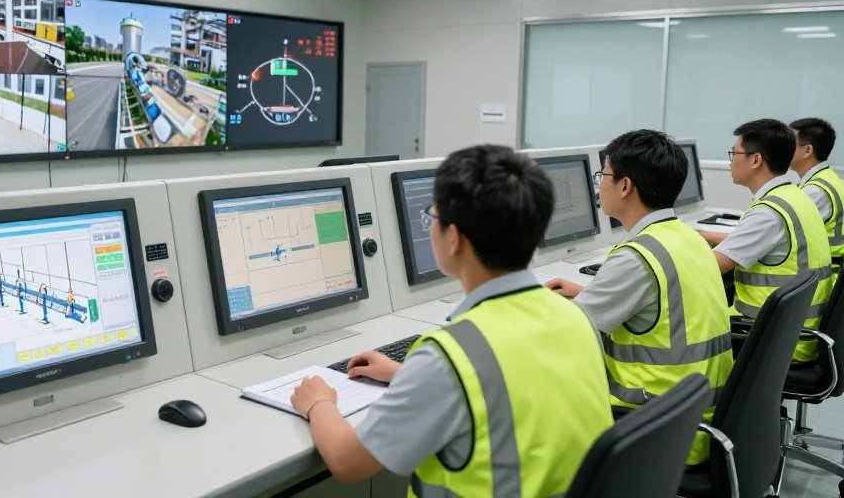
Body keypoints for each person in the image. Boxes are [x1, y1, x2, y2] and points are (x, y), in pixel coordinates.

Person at [290, 145, 612, 495]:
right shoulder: (573, 315)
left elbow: (348, 462)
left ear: (454, 238)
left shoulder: (449, 357)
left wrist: (318, 402)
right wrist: (408, 376)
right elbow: (514, 385)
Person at [545, 130, 732, 465]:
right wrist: (594, 293)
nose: (598, 185)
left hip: (656, 426)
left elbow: (567, 334)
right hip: (695, 414)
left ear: (625, 186)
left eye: (603, 175)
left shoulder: (636, 257)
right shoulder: (688, 239)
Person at [699, 119, 833, 362]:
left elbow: (707, 269)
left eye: (734, 153)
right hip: (792, 330)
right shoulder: (794, 196)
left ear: (756, 160)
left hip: (774, 341)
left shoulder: (769, 212)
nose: (731, 160)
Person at [790, 117, 844, 284]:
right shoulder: (829, 179)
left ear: (807, 150)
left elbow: (779, 235)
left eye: (789, 143)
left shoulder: (816, 191)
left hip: (823, 282)